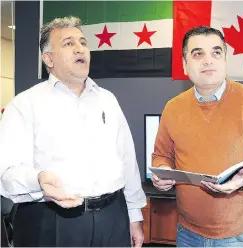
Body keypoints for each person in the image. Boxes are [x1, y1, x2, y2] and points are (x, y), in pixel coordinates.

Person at [0, 16, 146, 247]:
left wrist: (134, 216)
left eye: (83, 42)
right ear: (48, 58)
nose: (80, 49)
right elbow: (7, 173)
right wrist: (38, 179)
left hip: (113, 218)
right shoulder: (24, 105)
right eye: (69, 43)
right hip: (52, 221)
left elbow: (127, 160)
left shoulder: (107, 100)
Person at [151, 26, 243, 247]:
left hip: (242, 237)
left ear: (225, 59)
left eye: (216, 52)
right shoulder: (173, 108)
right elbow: (161, 156)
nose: (208, 60)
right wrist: (163, 174)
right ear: (184, 64)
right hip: (188, 234)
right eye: (198, 53)